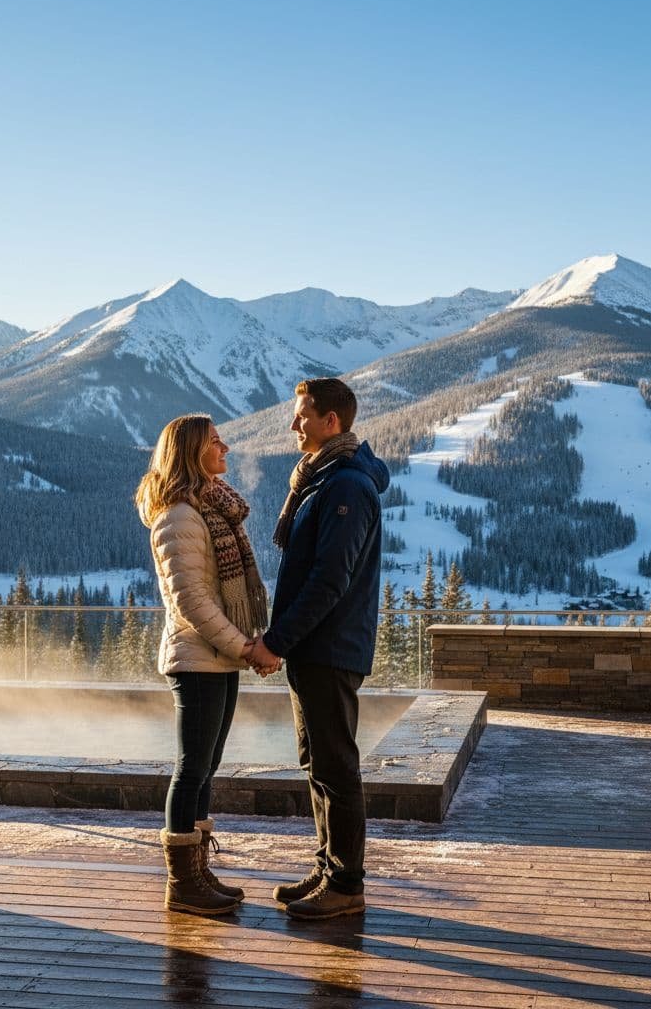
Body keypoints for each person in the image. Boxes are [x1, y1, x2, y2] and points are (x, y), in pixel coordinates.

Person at [247, 378, 389, 920]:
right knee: (319, 764)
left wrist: (277, 641)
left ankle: (347, 884)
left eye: (301, 414)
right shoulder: (322, 480)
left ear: (332, 420)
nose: (293, 424)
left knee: (336, 764)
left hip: (330, 648)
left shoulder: (347, 487)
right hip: (317, 650)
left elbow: (330, 580)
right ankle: (329, 868)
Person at [135, 414, 280, 915]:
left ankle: (197, 872)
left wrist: (242, 645)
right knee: (191, 769)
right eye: (215, 441)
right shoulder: (178, 517)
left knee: (206, 767)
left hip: (217, 658)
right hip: (198, 659)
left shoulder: (209, 511)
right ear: (192, 452)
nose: (226, 447)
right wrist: (246, 647)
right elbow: (192, 602)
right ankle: (183, 885)